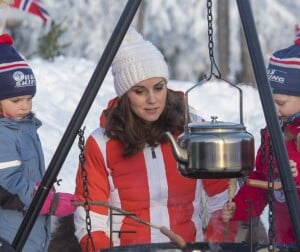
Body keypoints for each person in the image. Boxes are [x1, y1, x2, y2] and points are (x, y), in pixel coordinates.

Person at [73, 27, 239, 251]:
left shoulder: (192, 134)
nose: (152, 100)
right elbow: (91, 218)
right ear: (124, 95)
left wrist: (212, 245)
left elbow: (223, 200)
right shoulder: (101, 143)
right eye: (140, 91)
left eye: (158, 88)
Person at [222, 26, 300, 245]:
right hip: (285, 240)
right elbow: (261, 180)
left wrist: (296, 173)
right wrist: (240, 206)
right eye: (269, 102)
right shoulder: (273, 134)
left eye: (280, 103)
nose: (273, 110)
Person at [0, 34, 77, 251]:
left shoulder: (24, 127)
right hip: (10, 232)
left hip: (30, 225)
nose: (24, 106)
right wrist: (47, 200)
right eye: (16, 100)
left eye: (29, 98)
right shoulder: (3, 134)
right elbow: (7, 183)